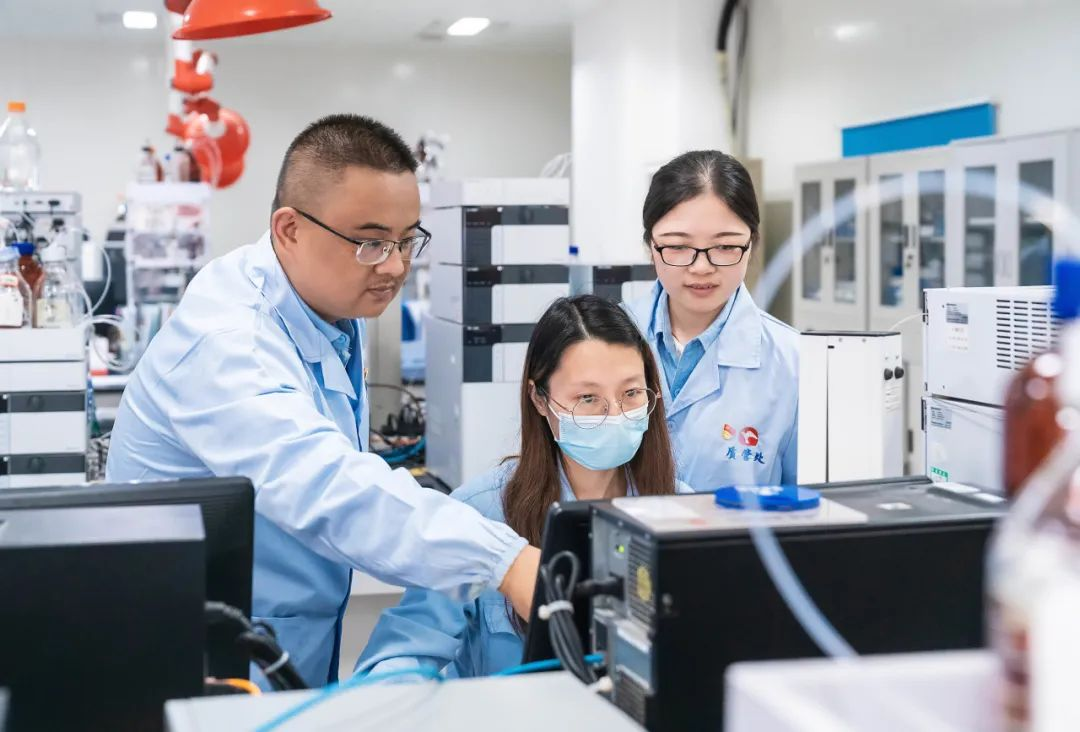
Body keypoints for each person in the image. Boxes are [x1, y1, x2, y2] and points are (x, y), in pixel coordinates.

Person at [105, 114, 539, 687]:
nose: (396, 265)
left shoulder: (327, 307)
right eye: (371, 242)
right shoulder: (229, 342)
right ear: (289, 229)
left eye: (407, 240)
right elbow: (325, 484)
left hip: (278, 640)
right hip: (201, 657)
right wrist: (506, 560)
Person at [354, 295, 690, 678]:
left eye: (631, 394)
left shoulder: (685, 512)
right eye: (588, 398)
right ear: (539, 400)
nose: (614, 415)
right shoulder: (480, 512)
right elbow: (403, 654)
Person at [625, 150, 799, 489]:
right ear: (650, 245)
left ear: (751, 244)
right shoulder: (604, 337)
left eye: (725, 247)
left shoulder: (794, 362)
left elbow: (808, 500)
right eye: (678, 247)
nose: (701, 267)